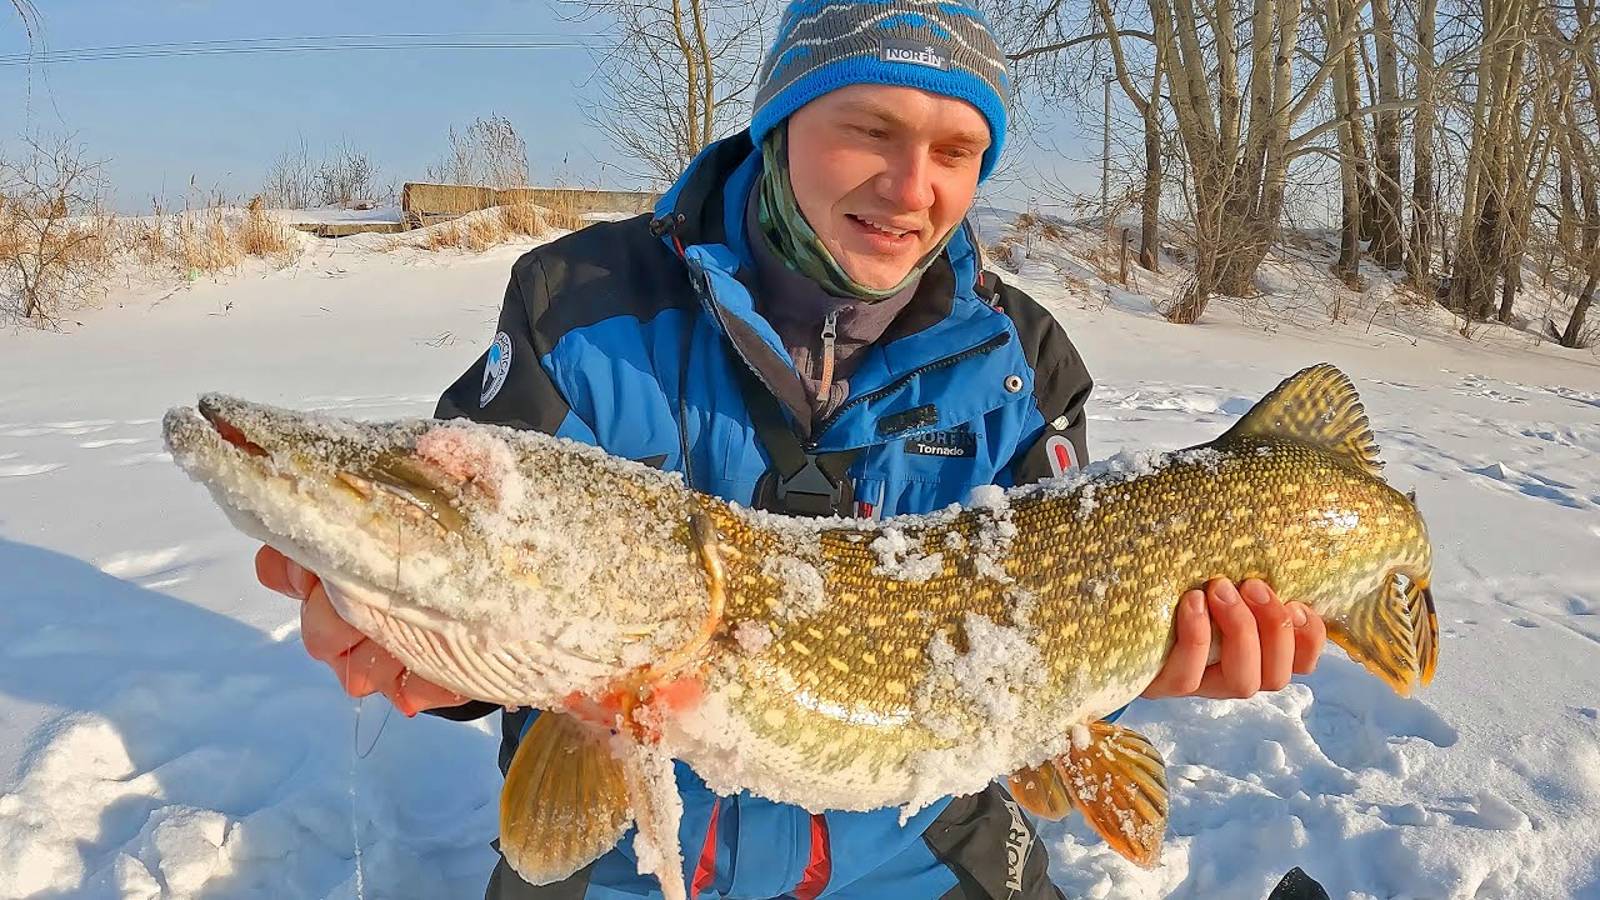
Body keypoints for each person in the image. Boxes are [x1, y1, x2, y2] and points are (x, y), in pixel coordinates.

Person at [256, 1, 1328, 895]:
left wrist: (1144, 666)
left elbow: (1044, 643)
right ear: (779, 121)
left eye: (955, 151)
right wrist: (445, 658)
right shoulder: (580, 304)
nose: (914, 190)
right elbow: (499, 560)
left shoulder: (1021, 361)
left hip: (916, 852)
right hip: (634, 850)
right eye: (870, 129)